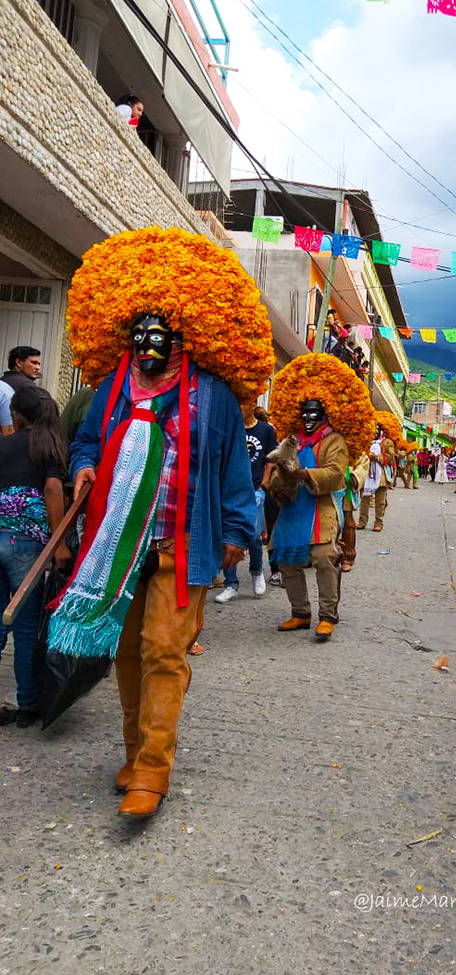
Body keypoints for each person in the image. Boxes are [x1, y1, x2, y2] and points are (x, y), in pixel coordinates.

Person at [62, 227, 271, 819]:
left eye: (159, 331)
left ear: (182, 335)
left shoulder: (216, 398)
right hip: (119, 547)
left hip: (186, 544)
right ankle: (134, 754)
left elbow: (235, 471)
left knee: (163, 651)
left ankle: (153, 770)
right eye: (138, 331)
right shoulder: (111, 390)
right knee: (127, 652)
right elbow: (85, 444)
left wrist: (237, 532)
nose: (147, 342)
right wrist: (83, 469)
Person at [268, 353, 373, 639]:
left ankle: (328, 615)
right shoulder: (290, 440)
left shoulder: (334, 440)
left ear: (325, 414)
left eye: (314, 414)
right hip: (292, 509)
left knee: (325, 555)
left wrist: (304, 475)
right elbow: (278, 474)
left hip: (321, 507)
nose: (308, 419)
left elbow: (337, 473)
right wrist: (281, 483)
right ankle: (300, 612)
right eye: (304, 413)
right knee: (285, 557)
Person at [0, 388, 69, 727]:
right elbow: (53, 490)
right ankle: (28, 705)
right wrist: (59, 543)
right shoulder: (48, 447)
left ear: (15, 415)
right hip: (26, 541)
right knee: (26, 627)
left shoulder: (4, 444)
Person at [215, 402, 276, 604]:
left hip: (255, 490)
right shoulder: (230, 428)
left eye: (243, 404)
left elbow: (270, 458)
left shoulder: (265, 430)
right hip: (231, 489)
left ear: (252, 405)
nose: (238, 408)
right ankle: (231, 583)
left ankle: (257, 571)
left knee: (254, 535)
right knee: (229, 535)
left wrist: (264, 483)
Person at [359, 412, 399, 532]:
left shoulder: (387, 442)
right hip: (366, 474)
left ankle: (378, 522)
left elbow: (391, 457)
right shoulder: (365, 441)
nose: (374, 432)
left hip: (380, 475)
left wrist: (377, 457)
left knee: (380, 501)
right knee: (364, 500)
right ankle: (362, 521)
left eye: (376, 429)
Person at [341, 451, 370, 572]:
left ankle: (348, 556)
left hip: (345, 486)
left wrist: (353, 477)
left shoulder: (355, 447)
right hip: (328, 485)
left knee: (347, 523)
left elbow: (363, 465)